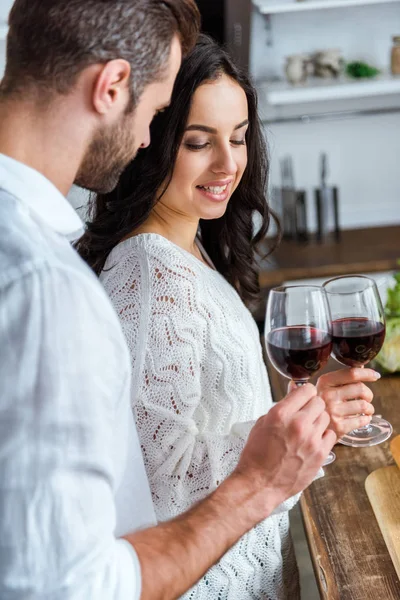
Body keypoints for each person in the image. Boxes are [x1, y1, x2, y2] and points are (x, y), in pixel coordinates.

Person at [0, 2, 338, 599]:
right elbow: (72, 578)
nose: (143, 137)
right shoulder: (68, 283)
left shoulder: (57, 254)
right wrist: (265, 468)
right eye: (160, 117)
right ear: (111, 87)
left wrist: (297, 431)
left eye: (238, 138)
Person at [77, 35, 380, 599]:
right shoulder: (151, 275)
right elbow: (162, 483)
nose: (228, 163)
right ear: (149, 142)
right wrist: (301, 427)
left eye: (238, 138)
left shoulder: (188, 248)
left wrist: (314, 420)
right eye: (198, 142)